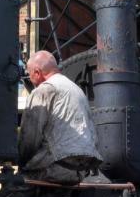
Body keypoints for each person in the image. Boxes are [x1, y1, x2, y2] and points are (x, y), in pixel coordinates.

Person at [16, 50, 102, 184]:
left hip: (54, 168)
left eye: (29, 74)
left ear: (37, 72)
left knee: (9, 196)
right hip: (80, 172)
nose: (29, 78)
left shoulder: (44, 90)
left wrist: (20, 164)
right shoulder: (77, 90)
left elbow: (29, 139)